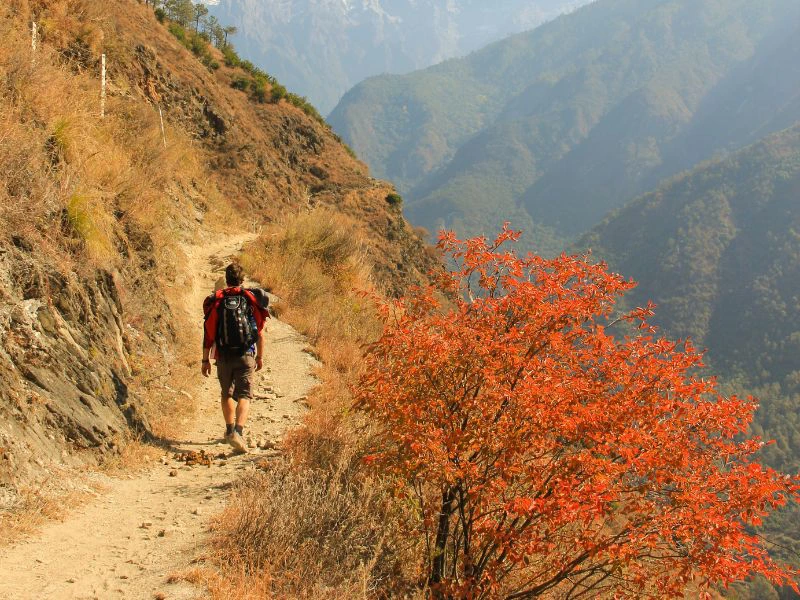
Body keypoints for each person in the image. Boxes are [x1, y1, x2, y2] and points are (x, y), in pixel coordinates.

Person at [201, 263, 269, 453]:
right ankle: (238, 432)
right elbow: (260, 333)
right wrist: (260, 357)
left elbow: (209, 334)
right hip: (246, 354)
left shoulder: (218, 302)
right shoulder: (249, 300)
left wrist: (205, 360)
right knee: (245, 395)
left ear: (226, 279)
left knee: (227, 393)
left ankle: (229, 429)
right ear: (242, 280)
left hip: (223, 356)